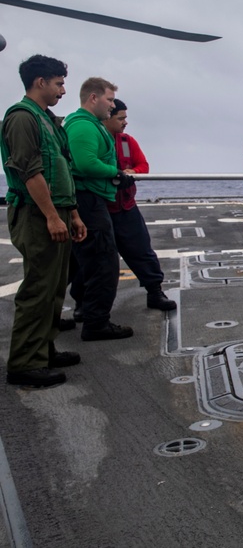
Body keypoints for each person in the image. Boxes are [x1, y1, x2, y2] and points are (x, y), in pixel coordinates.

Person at [1, 55, 86, 388]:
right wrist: (52, 216)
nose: (63, 90)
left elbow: (61, 168)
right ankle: (24, 363)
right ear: (40, 82)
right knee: (38, 288)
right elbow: (29, 171)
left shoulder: (48, 120)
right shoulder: (22, 118)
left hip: (58, 210)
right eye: (59, 83)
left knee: (53, 287)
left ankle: (43, 349)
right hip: (37, 214)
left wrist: (73, 213)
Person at [65, 77, 134, 341]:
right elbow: (85, 163)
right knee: (103, 262)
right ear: (93, 98)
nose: (112, 105)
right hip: (88, 201)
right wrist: (115, 172)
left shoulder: (87, 124)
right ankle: (96, 323)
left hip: (89, 199)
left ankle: (83, 314)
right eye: (109, 99)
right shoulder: (83, 126)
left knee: (80, 263)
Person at [102, 98, 176, 312]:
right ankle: (83, 303)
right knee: (93, 258)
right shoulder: (94, 139)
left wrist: (132, 172)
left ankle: (155, 291)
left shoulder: (127, 142)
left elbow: (143, 165)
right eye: (121, 118)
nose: (125, 122)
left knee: (142, 251)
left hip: (126, 206)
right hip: (101, 208)